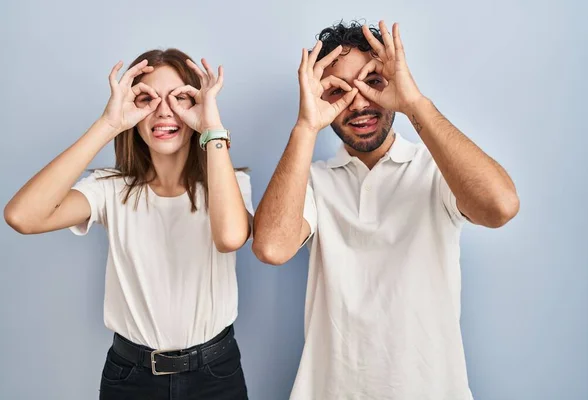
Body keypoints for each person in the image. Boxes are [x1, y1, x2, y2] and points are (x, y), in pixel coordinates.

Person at [252, 20, 520, 399]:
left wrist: (414, 103)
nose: (359, 102)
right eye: (338, 90)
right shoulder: (311, 182)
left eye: (372, 82)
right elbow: (272, 248)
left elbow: (501, 207)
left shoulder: (436, 170)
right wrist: (306, 126)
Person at [4, 48, 252, 400]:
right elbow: (22, 216)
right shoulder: (110, 188)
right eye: (148, 99)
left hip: (215, 372)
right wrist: (108, 124)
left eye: (180, 97)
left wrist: (211, 127)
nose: (165, 110)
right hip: (132, 376)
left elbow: (229, 237)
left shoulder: (229, 182)